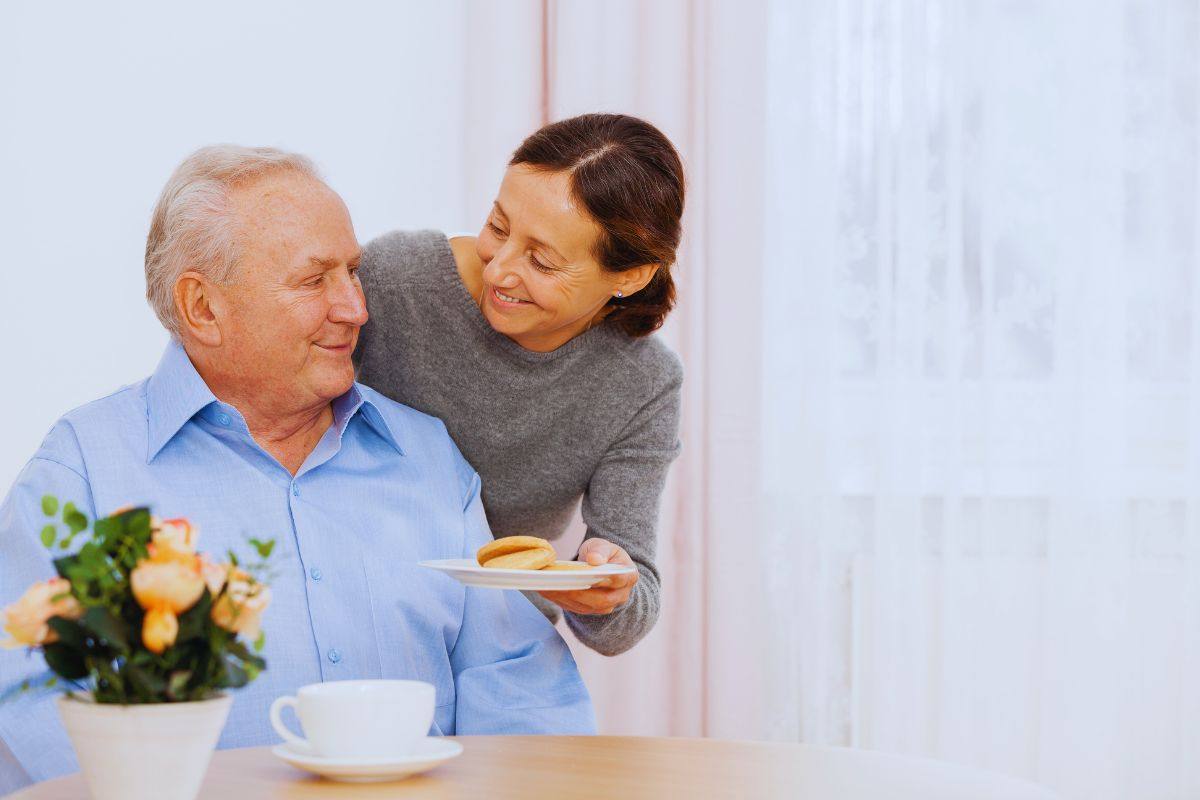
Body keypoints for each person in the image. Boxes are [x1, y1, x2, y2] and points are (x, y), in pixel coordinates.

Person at [0, 145, 593, 793]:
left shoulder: (426, 455)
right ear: (203, 308)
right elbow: (26, 694)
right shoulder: (84, 469)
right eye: (314, 281)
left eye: (353, 272)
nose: (355, 308)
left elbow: (515, 680)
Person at [356, 113, 685, 656]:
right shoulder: (395, 281)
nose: (498, 271)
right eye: (499, 227)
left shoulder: (642, 383)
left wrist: (604, 587)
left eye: (541, 261)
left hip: (498, 639)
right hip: (363, 613)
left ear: (630, 276)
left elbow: (632, 605)